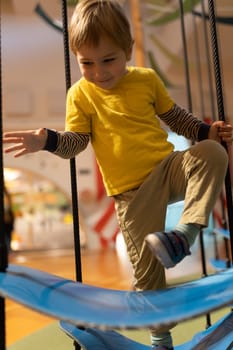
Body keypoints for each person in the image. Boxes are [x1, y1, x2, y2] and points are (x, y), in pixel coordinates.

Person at [3, 1, 233, 349]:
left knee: (213, 154)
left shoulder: (146, 80)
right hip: (130, 196)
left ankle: (184, 235)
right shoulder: (80, 95)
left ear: (128, 50)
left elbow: (178, 120)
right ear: (77, 59)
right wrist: (45, 140)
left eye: (108, 59)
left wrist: (206, 132)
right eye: (87, 63)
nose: (99, 72)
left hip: (166, 170)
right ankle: (162, 341)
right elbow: (74, 144)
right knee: (148, 281)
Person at [4, 185, 14, 252]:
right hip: (6, 226)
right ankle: (8, 248)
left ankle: (8, 248)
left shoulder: (9, 211)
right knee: (7, 237)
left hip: (8, 226)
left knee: (8, 237)